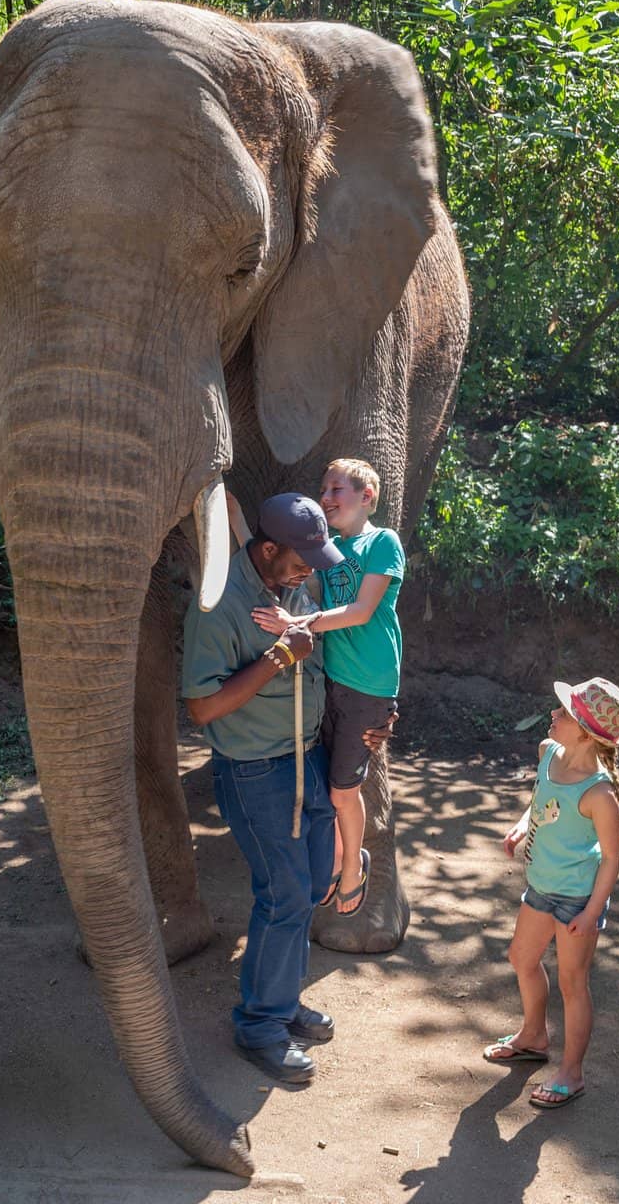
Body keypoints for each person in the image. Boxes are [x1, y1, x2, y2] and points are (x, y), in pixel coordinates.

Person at [182, 492, 343, 1085]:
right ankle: (260, 1026)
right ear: (267, 548)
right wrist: (279, 655)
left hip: (307, 759)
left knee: (312, 885)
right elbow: (202, 708)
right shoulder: (217, 603)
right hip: (256, 771)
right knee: (285, 895)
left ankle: (283, 996)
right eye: (301, 558)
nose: (311, 569)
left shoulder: (293, 584)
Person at [231, 458, 405, 917]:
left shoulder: (382, 542)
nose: (326, 497)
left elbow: (362, 610)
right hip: (328, 680)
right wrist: (235, 521)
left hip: (367, 685)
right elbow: (274, 562)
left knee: (344, 792)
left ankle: (352, 868)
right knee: (323, 785)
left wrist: (297, 623)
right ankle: (333, 861)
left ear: (367, 496)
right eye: (324, 489)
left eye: (337, 489)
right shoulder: (326, 548)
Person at [483, 677, 619, 1109]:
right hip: (540, 888)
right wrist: (521, 824)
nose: (552, 714)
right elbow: (541, 802)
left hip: (576, 901)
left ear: (586, 732)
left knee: (572, 983)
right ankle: (533, 1036)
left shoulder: (599, 793)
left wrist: (592, 912)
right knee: (521, 958)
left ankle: (572, 1073)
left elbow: (610, 860)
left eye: (564, 712)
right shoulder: (548, 753)